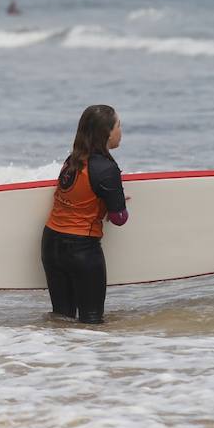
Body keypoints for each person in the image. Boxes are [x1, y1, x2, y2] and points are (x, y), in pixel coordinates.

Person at [41, 105, 129, 324]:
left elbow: (81, 196)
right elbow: (119, 219)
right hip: (82, 251)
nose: (121, 131)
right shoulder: (107, 169)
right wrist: (116, 206)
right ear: (107, 133)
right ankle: (88, 359)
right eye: (119, 126)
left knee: (61, 319)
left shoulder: (71, 161)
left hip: (50, 244)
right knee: (92, 324)